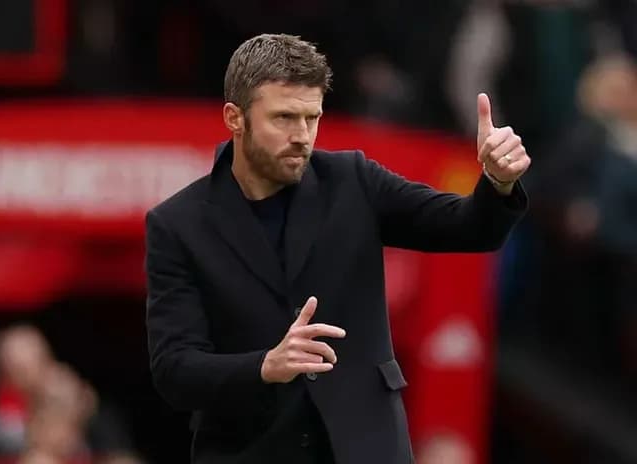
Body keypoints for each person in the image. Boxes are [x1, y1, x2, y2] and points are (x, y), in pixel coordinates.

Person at [144, 34, 530, 464]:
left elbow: (468, 229)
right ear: (235, 118)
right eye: (284, 118)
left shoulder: (353, 180)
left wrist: (498, 182)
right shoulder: (177, 224)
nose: (302, 136)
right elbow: (174, 370)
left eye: (312, 118)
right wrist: (264, 365)